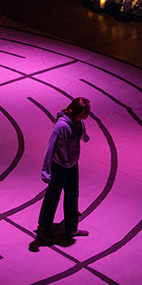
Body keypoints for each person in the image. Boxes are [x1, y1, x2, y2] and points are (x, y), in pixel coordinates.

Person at [37, 97, 92, 241]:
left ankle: (72, 228)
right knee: (52, 197)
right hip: (59, 167)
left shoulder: (80, 123)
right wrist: (45, 171)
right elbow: (50, 149)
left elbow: (82, 135)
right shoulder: (61, 127)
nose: (87, 116)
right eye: (86, 112)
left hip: (73, 166)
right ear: (79, 112)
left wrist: (85, 137)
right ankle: (43, 227)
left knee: (72, 196)